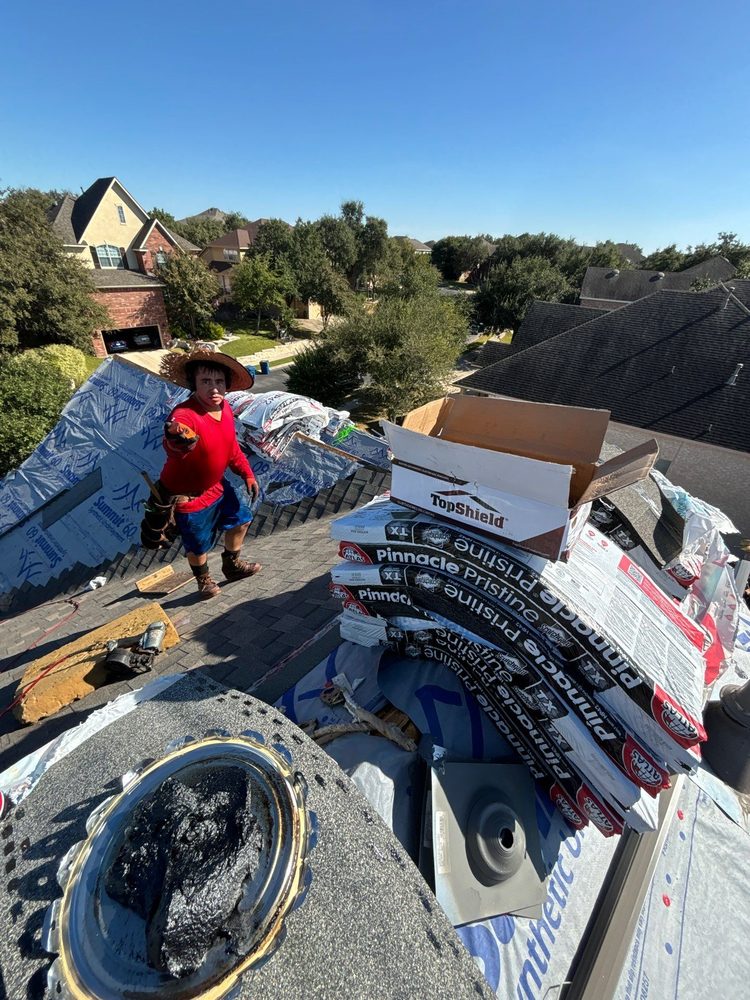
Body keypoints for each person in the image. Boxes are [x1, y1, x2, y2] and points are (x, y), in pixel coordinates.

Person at [155, 348, 262, 599]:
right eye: (206, 381)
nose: (214, 388)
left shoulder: (224, 408)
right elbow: (174, 442)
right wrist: (177, 439)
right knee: (198, 543)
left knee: (242, 519)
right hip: (187, 497)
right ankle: (203, 580)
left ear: (226, 386)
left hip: (217, 486)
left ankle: (232, 566)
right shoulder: (184, 415)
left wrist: (246, 473)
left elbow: (231, 447)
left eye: (219, 382)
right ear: (194, 384)